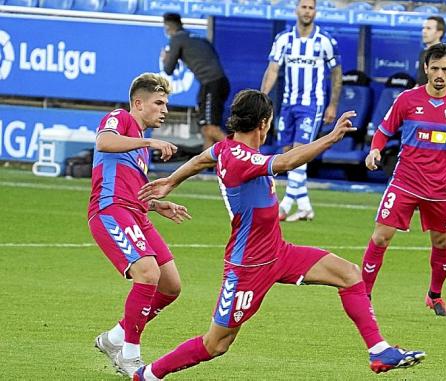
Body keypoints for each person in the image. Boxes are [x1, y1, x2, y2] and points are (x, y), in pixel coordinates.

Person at [131, 90, 425, 380]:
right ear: (263, 123)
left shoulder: (224, 150)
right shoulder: (240, 159)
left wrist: (171, 180)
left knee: (349, 273)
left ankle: (379, 350)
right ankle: (148, 375)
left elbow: (199, 161)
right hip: (248, 267)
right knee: (216, 343)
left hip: (279, 252)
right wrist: (330, 138)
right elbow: (284, 163)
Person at [88, 73, 192, 377]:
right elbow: (103, 142)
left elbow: (131, 189)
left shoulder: (139, 149)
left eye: (166, 103)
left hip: (136, 213)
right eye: (159, 103)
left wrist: (158, 205)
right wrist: (148, 139)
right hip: (110, 210)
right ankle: (129, 355)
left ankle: (116, 338)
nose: (165, 109)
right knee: (148, 274)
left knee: (171, 286)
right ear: (138, 103)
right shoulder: (119, 118)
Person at [362, 44, 446, 317]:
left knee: (442, 243)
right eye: (434, 68)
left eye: (444, 69)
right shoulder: (407, 99)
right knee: (380, 237)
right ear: (426, 68)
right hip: (405, 181)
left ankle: (434, 296)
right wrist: (375, 148)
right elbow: (383, 129)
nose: (439, 73)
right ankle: (363, 297)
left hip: (439, 187)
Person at [261, 0, 342, 222]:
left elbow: (336, 73)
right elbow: (273, 69)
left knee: (300, 150)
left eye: (311, 7)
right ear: (297, 9)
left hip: (312, 104)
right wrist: (261, 99)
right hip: (288, 104)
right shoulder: (284, 40)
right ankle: (305, 205)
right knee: (287, 152)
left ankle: (285, 205)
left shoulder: (325, 41)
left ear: (316, 11)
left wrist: (333, 104)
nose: (307, 11)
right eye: (304, 7)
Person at [162, 12, 231, 150]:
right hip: (218, 83)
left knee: (211, 129)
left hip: (212, 84)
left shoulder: (177, 39)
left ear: (168, 27)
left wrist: (165, 57)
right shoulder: (197, 37)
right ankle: (204, 168)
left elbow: (169, 69)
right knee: (206, 129)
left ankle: (243, 157)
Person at [416, 16, 446, 86]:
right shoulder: (423, 53)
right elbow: (422, 81)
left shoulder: (444, 55)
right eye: (423, 28)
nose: (424, 31)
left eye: (428, 28)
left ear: (439, 33)